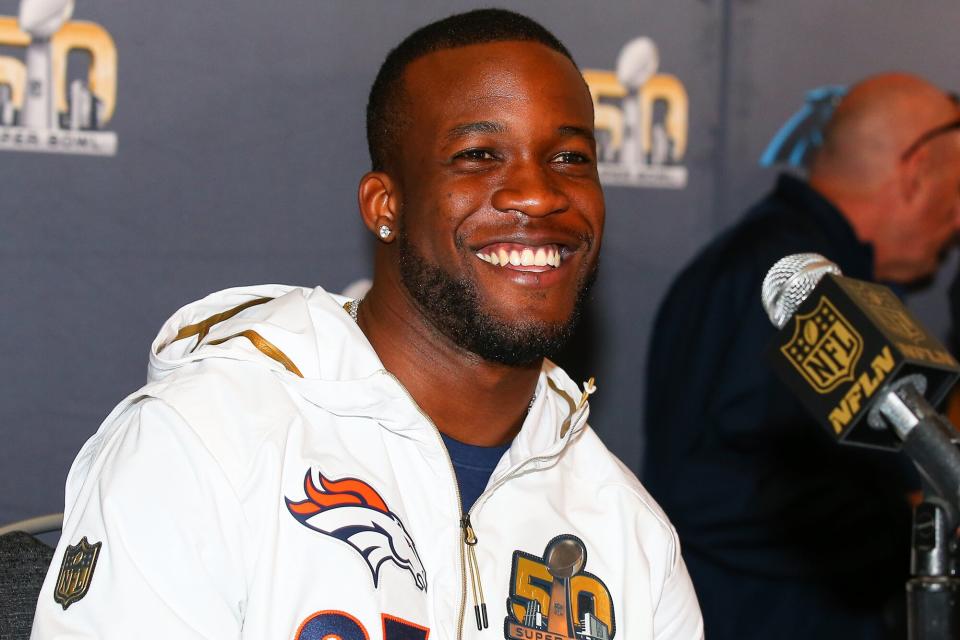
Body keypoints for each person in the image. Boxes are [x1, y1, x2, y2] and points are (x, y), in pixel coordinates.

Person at [32, 9, 703, 640]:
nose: (538, 193)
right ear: (386, 205)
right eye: (478, 155)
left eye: (570, 158)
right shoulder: (205, 442)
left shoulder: (627, 531)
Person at [643, 72, 960, 640]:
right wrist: (915, 516)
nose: (958, 221)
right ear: (915, 175)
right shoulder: (784, 281)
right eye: (958, 192)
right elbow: (709, 493)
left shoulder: (824, 276)